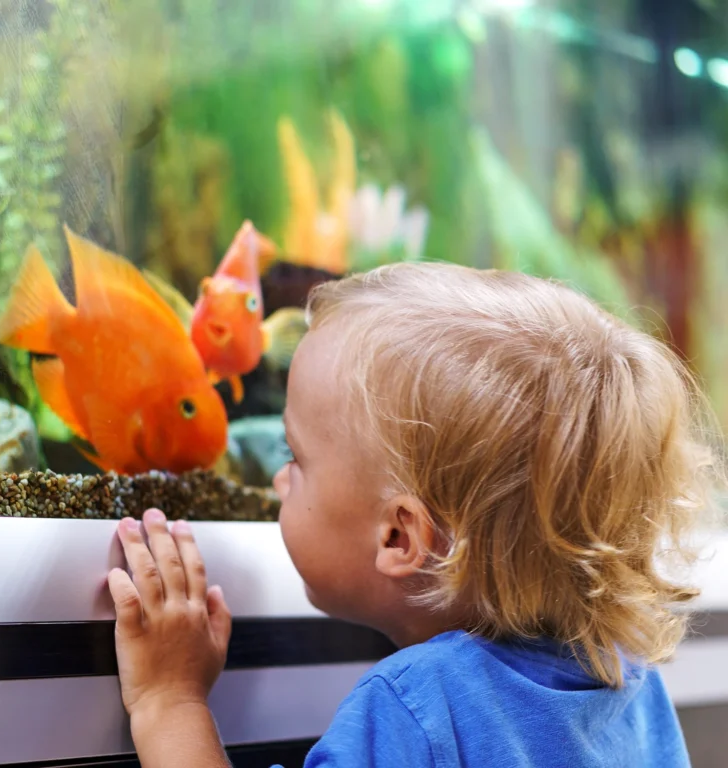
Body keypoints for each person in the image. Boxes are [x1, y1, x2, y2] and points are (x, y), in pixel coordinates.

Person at [107, 263, 721, 767]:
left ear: (400, 536)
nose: (277, 480)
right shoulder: (630, 684)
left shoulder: (417, 711)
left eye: (298, 459)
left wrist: (170, 701)